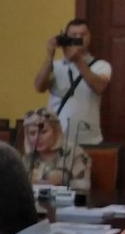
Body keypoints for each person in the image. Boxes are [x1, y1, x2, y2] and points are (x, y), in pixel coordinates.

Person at [32, 17, 111, 146]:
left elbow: (99, 86)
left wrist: (78, 60)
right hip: (56, 137)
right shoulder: (56, 66)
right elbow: (39, 87)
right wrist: (49, 55)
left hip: (88, 138)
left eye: (83, 34)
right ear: (66, 37)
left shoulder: (100, 65)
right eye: (73, 35)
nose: (78, 38)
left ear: (89, 37)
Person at [21, 106, 89, 189]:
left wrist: (55, 184)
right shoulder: (28, 158)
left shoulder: (74, 153)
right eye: (32, 133)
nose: (37, 137)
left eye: (43, 132)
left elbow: (84, 186)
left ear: (56, 132)